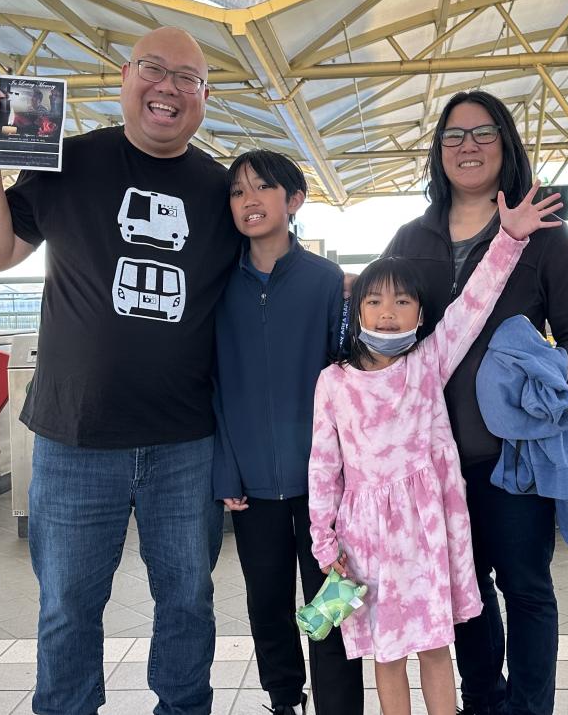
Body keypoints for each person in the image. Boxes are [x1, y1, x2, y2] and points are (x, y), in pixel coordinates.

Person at [0, 26, 240, 715]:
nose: (169, 87)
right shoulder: (68, 160)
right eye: (155, 69)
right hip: (73, 438)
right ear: (125, 77)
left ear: (204, 98)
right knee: (66, 606)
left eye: (189, 78)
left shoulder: (220, 190)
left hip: (185, 442)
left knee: (187, 600)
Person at [383, 91, 568, 715]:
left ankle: (530, 708)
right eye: (454, 136)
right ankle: (483, 701)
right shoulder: (410, 239)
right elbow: (390, 336)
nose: (468, 146)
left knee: (527, 587)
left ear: (506, 145)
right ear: (439, 153)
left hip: (514, 457)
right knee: (464, 592)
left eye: (483, 133)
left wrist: (540, 399)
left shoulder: (545, 237)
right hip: (434, 457)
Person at [309, 185, 562, 715]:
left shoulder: (426, 365)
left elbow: (472, 306)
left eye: (402, 302)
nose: (387, 313)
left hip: (425, 533)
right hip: (364, 538)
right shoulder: (333, 383)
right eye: (374, 301)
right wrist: (323, 541)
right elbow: (323, 470)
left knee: (433, 646)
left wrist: (510, 239)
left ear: (420, 314)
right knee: (385, 654)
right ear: (355, 312)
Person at [213, 149, 364, 715]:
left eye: (263, 188)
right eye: (237, 192)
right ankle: (284, 700)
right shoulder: (219, 284)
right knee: (267, 602)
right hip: (251, 484)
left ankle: (338, 705)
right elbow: (210, 383)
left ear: (293, 200)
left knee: (332, 601)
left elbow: (348, 379)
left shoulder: (326, 282)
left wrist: (351, 472)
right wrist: (226, 468)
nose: (249, 200)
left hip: (326, 485)